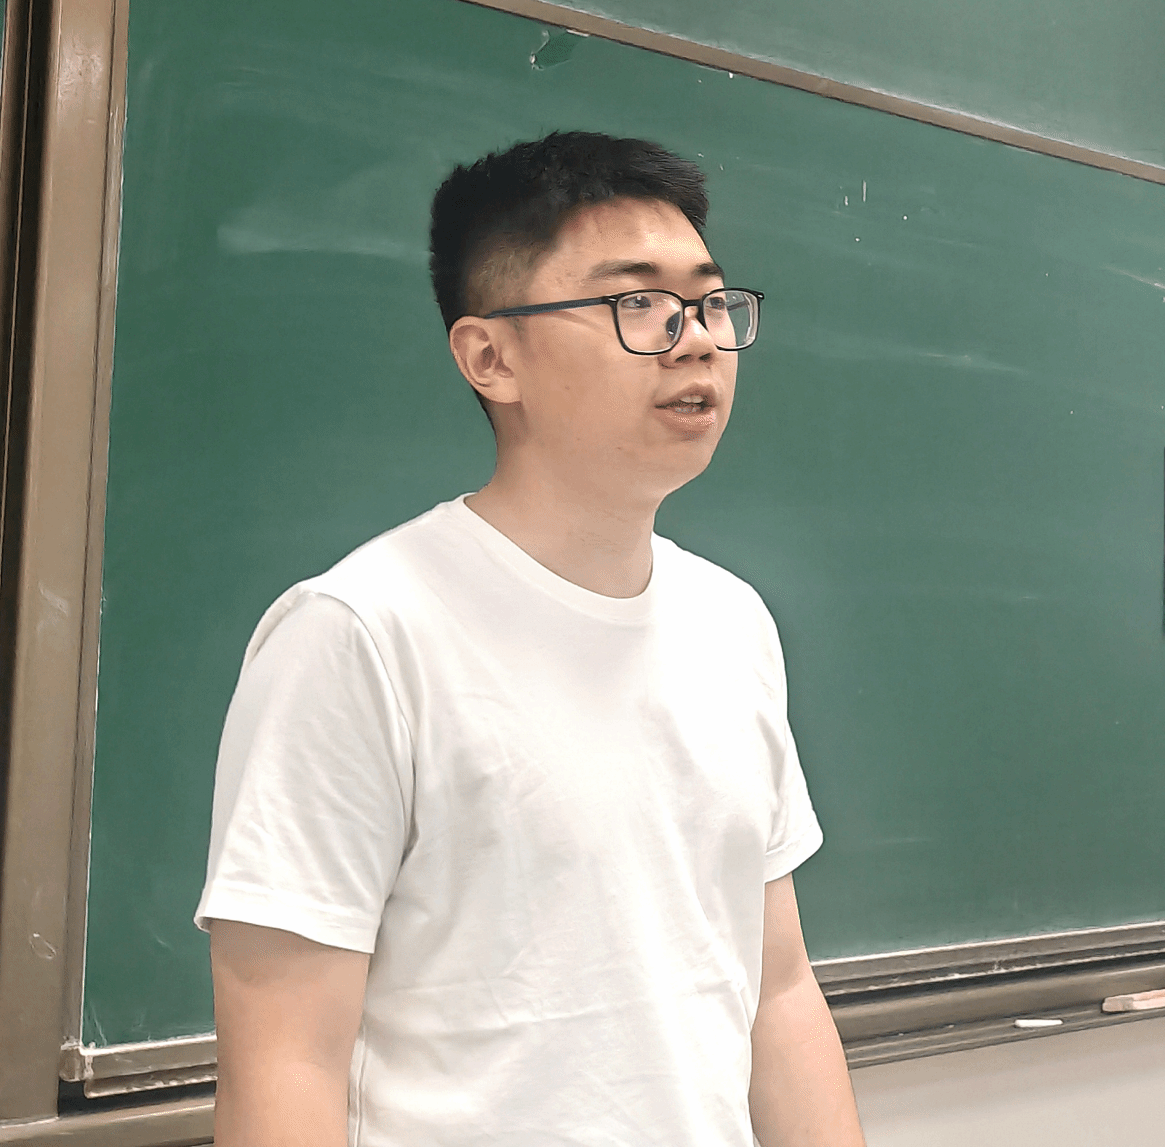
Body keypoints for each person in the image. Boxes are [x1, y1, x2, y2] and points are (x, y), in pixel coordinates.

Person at [197, 132, 865, 1146]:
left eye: (709, 303)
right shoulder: (359, 634)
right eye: (636, 303)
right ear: (490, 357)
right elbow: (285, 1064)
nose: (695, 340)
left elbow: (776, 992)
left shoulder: (732, 621)